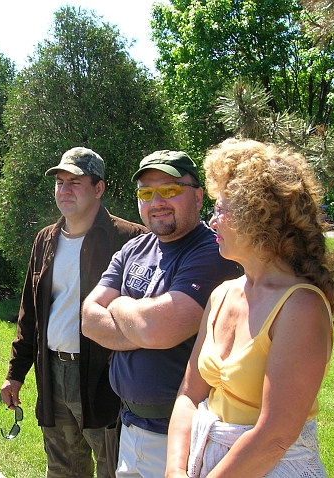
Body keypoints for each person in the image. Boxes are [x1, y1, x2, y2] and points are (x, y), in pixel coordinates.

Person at [165, 139, 334, 478]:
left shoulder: (300, 306)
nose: (212, 222)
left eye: (221, 210)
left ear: (258, 217)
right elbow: (188, 395)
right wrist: (175, 469)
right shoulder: (222, 295)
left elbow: (274, 437)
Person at [81, 151, 242, 478]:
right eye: (146, 193)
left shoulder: (213, 252)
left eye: (170, 190)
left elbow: (163, 328)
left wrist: (120, 306)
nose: (157, 202)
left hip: (182, 436)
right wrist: (143, 328)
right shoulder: (133, 249)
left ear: (198, 196)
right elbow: (88, 319)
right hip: (129, 426)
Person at [1, 147, 147, 478]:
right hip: (52, 373)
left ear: (99, 188)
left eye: (75, 183)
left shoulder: (131, 240)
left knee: (114, 468)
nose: (64, 190)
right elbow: (29, 316)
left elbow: (144, 317)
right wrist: (15, 373)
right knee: (63, 469)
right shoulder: (45, 240)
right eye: (60, 183)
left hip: (103, 382)